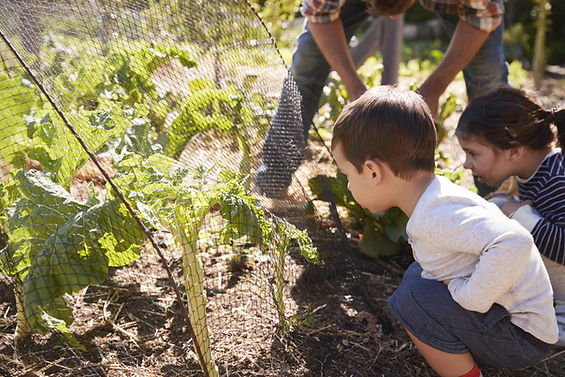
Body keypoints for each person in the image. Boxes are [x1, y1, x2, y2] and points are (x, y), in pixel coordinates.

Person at [332, 86, 557, 377]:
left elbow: (515, 241)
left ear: (373, 172)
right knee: (417, 276)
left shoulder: (437, 215)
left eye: (347, 174)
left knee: (412, 298)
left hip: (522, 336)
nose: (348, 185)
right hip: (513, 323)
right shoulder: (433, 199)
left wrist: (469, 296)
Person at [257, 0, 508, 198]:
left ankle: (498, 193)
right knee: (306, 66)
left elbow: (482, 16)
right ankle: (274, 177)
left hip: (475, 9)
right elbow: (320, 16)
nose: (391, 19)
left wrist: (433, 89)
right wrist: (355, 89)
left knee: (488, 80)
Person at [455, 86, 565, 346]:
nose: (466, 164)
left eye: (473, 153)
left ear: (514, 151)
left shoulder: (557, 179)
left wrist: (519, 213)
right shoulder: (536, 171)